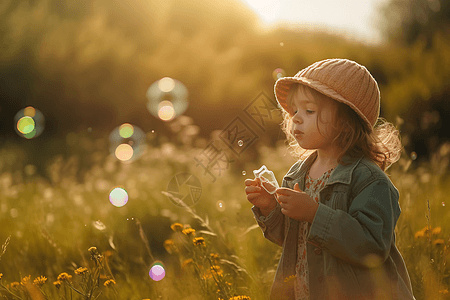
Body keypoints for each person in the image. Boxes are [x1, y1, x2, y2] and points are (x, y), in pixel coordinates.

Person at [244, 59, 415, 300]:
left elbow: (372, 248)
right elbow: (293, 239)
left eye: (309, 111)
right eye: (294, 111)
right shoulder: (297, 174)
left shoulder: (369, 180)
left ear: (346, 120)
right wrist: (270, 207)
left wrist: (315, 213)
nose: (296, 119)